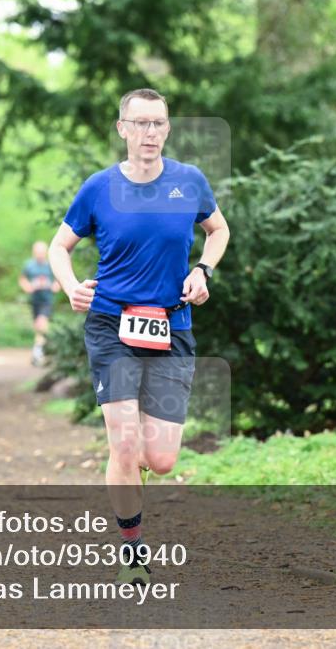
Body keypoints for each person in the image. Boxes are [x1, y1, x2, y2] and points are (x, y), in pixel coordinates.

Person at [48, 88, 230, 586]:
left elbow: (218, 231)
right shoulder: (99, 188)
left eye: (159, 124)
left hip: (172, 325)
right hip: (111, 323)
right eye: (141, 123)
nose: (151, 133)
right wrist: (70, 287)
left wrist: (203, 272)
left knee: (162, 460)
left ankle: (135, 470)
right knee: (124, 445)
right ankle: (131, 548)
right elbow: (58, 247)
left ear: (167, 129)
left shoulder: (189, 182)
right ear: (122, 128)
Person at [19, 241, 61, 365]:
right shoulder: (29, 265)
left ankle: (38, 353)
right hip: (34, 301)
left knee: (42, 323)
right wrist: (28, 287)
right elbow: (22, 279)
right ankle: (41, 349)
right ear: (34, 252)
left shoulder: (50, 265)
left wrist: (55, 286)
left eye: (42, 252)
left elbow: (59, 279)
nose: (40, 255)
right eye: (38, 252)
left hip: (47, 300)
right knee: (38, 327)